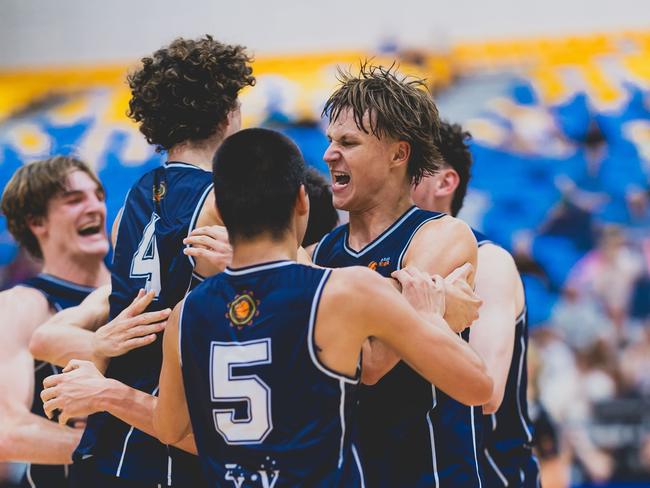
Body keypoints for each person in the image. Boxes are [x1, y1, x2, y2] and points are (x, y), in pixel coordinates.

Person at [152, 127, 492, 486]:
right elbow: (478, 387)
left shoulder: (186, 313)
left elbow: (169, 427)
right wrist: (430, 313)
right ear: (303, 201)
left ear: (219, 208)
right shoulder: (342, 292)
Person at [40, 36, 254, 487]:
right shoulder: (224, 200)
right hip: (174, 442)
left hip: (108, 443)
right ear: (226, 115)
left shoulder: (128, 208)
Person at [312, 64, 485, 487]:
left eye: (348, 142)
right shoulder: (319, 251)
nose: (329, 155)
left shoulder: (441, 234)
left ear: (397, 154)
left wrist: (310, 295)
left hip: (430, 473)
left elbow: (372, 360)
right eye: (331, 140)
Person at [412, 121, 540, 487]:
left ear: (445, 183)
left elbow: (488, 393)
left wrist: (423, 320)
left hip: (490, 473)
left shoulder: (490, 262)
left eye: (410, 163)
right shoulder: (391, 262)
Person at [0, 156, 111, 487]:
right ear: (37, 222)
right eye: (75, 200)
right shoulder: (21, 305)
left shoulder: (138, 288)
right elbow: (7, 429)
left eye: (99, 196)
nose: (96, 208)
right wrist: (120, 448)